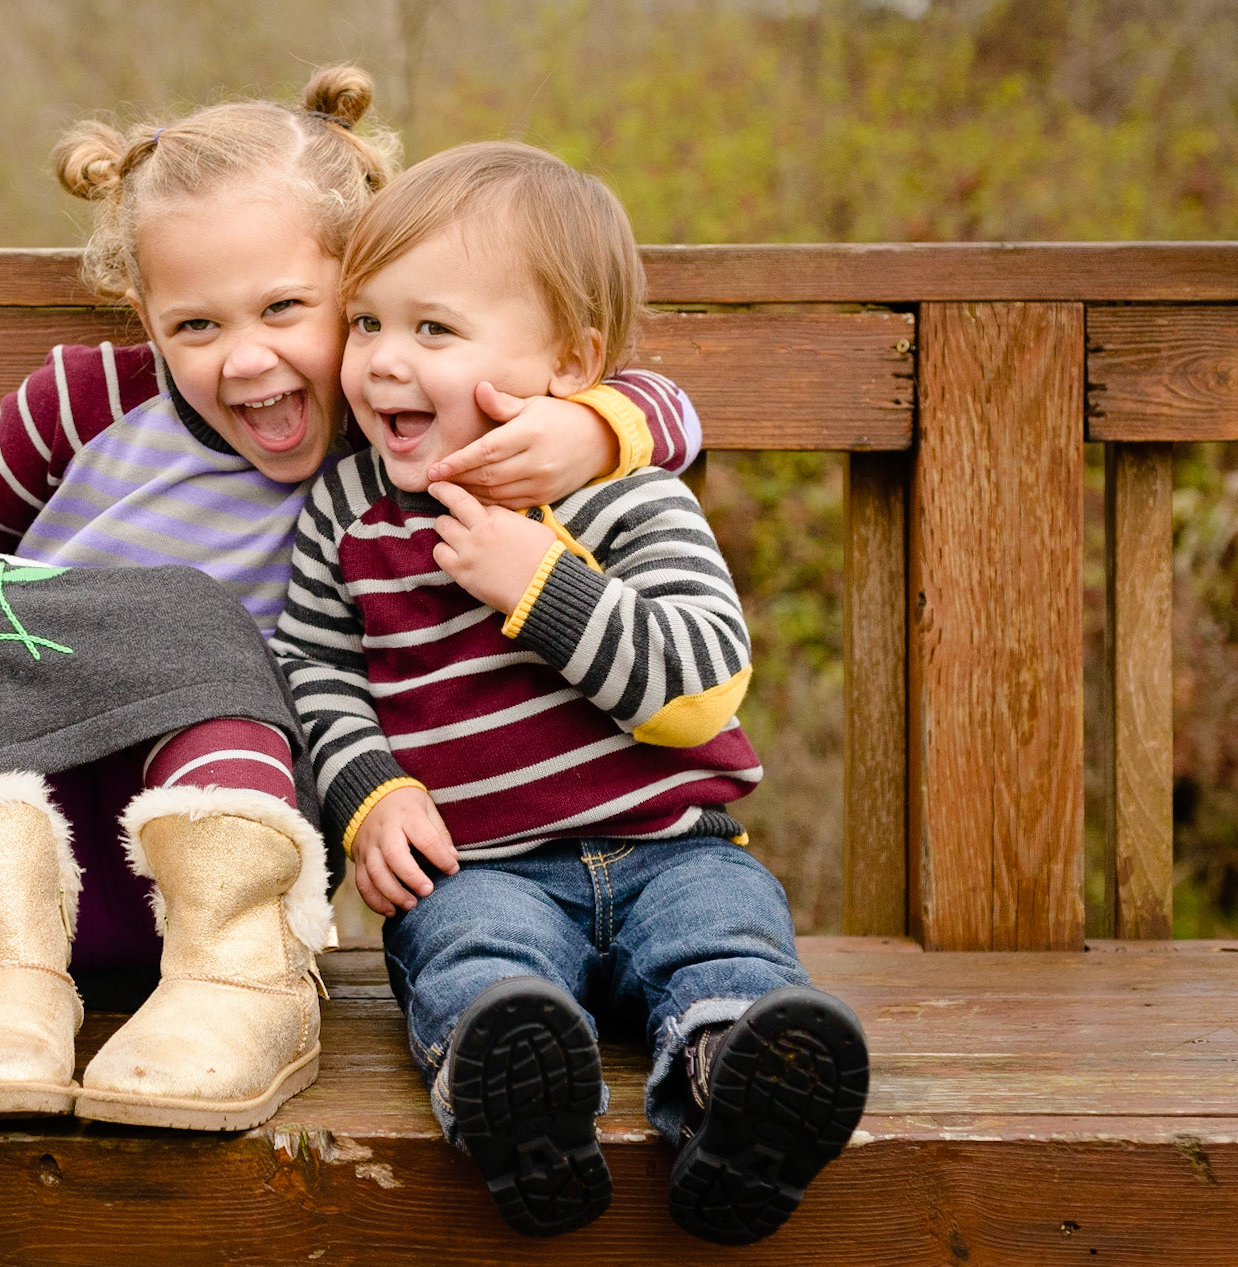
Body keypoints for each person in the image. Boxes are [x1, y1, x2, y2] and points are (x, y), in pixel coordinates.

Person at [0, 70, 704, 1131]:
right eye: (194, 325)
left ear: (362, 291)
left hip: (222, 885)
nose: (247, 359)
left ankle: (239, 993)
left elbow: (632, 389)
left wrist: (598, 426)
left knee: (213, 628)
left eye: (288, 308)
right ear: (145, 314)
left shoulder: (385, 438)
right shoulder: (86, 402)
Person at [271, 140, 868, 1241]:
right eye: (367, 323)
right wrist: (368, 793)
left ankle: (733, 1087)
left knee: (727, 938)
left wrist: (539, 586)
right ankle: (516, 1093)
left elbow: (699, 685)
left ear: (570, 360)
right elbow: (311, 670)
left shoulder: (624, 496)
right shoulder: (350, 509)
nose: (382, 363)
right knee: (469, 955)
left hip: (671, 846)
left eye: (432, 329)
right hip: (478, 863)